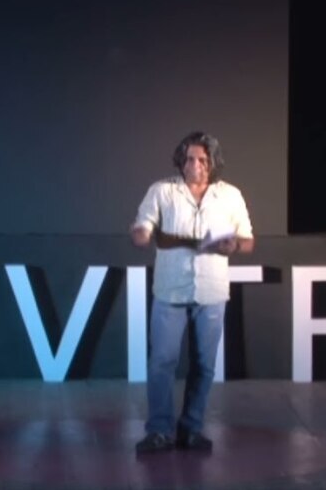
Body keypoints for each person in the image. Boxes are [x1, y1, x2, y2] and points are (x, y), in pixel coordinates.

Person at [131, 131, 254, 454]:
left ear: (213, 162)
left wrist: (233, 245)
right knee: (162, 361)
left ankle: (191, 429)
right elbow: (143, 225)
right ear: (180, 160)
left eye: (202, 159)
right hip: (170, 290)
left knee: (204, 364)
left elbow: (248, 239)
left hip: (212, 290)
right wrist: (142, 233)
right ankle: (159, 431)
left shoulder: (230, 196)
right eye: (189, 159)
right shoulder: (162, 191)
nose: (195, 165)